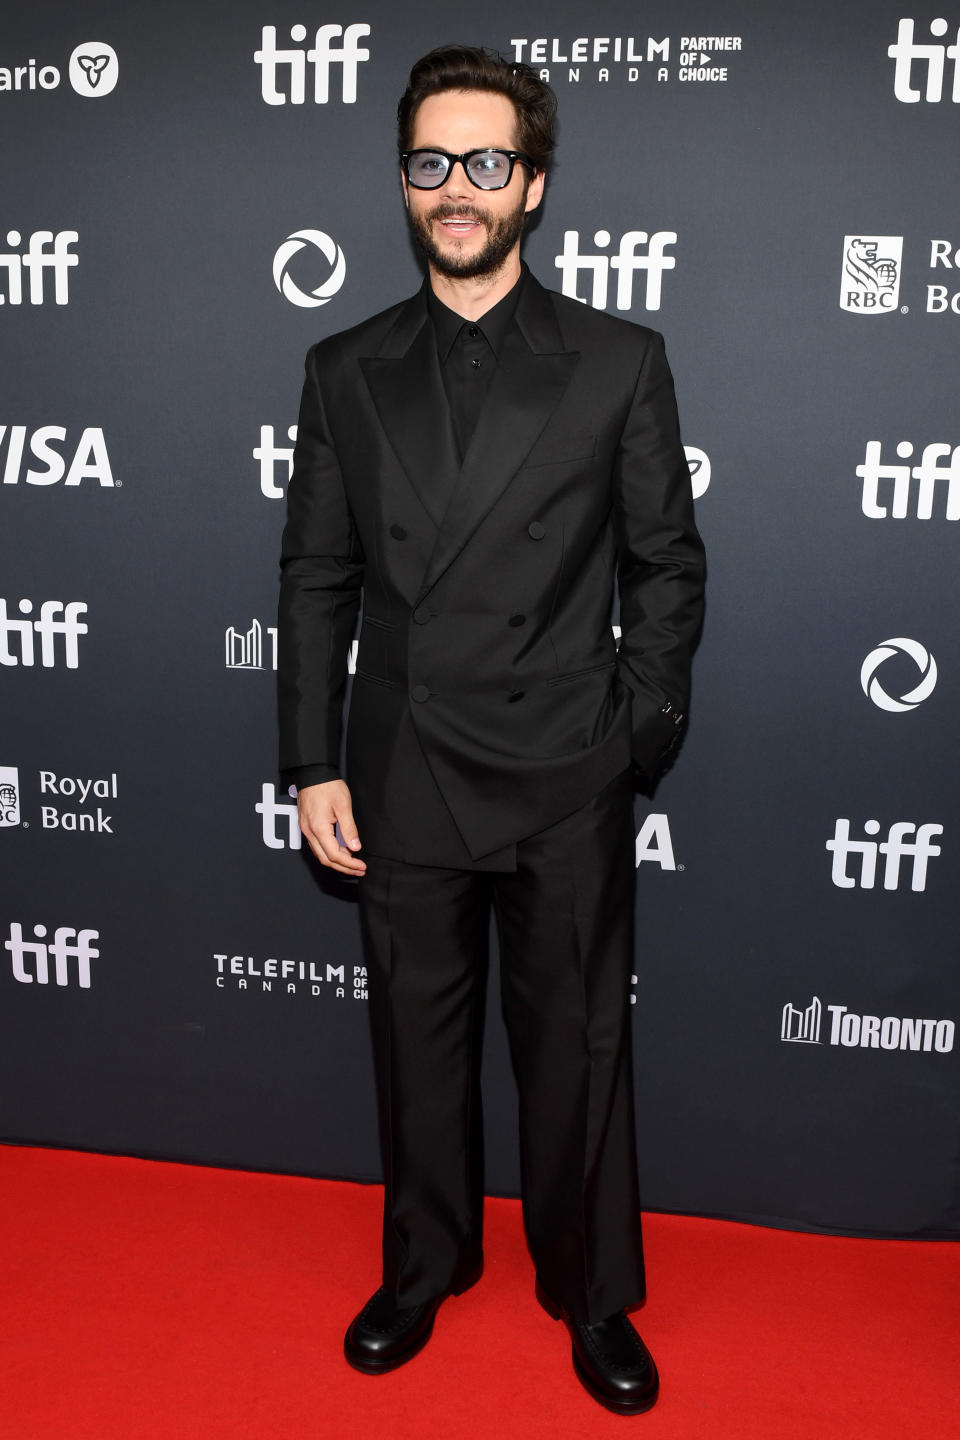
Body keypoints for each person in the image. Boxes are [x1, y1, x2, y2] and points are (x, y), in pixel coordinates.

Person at [277, 45, 705, 1416]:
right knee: (416, 1036)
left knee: (578, 1044)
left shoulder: (621, 360)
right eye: (430, 162)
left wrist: (636, 733)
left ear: (533, 186)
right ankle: (423, 1267)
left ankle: (591, 1296)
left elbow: (667, 565)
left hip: (565, 765)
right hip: (403, 767)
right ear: (404, 181)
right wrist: (313, 755)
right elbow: (316, 575)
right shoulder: (344, 365)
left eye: (486, 163)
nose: (455, 188)